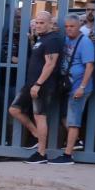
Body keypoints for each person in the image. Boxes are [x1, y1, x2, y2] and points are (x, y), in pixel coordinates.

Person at [9, 11, 62, 164]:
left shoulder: (53, 39)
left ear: (50, 23)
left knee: (40, 116)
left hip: (42, 85)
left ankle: (41, 154)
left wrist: (38, 84)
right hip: (31, 84)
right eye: (37, 22)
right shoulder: (42, 38)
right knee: (14, 109)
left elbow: (50, 64)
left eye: (42, 23)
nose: (38, 25)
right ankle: (37, 135)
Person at [49, 13, 95, 165]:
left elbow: (89, 66)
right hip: (68, 86)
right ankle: (77, 141)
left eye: (72, 26)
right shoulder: (67, 39)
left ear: (79, 26)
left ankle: (68, 155)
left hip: (78, 88)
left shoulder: (85, 42)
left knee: (74, 121)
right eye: (67, 27)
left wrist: (82, 87)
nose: (68, 29)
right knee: (66, 118)